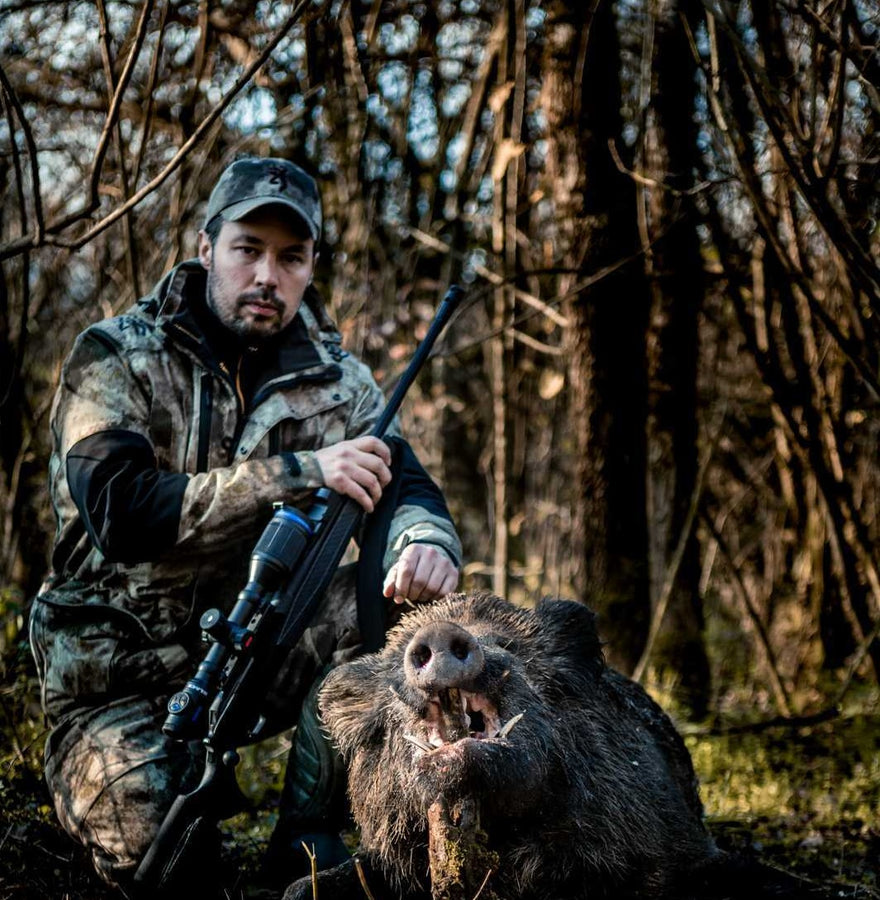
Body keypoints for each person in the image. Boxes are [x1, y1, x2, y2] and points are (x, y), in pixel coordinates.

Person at [28, 156, 462, 897]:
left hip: (256, 647)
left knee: (402, 611)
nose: (268, 275)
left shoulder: (339, 383)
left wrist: (423, 540)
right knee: (165, 856)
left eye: (290, 257)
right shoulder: (114, 355)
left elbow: (403, 482)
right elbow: (122, 513)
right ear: (206, 249)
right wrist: (300, 473)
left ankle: (306, 834)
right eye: (248, 249)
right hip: (113, 677)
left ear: (311, 267)